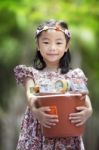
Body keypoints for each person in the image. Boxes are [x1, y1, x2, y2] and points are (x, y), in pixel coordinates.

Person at [14, 19, 93, 150]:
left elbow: (84, 99)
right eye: (46, 42)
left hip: (67, 136)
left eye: (58, 42)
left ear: (66, 46)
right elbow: (31, 93)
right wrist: (36, 111)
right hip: (38, 134)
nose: (52, 48)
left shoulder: (74, 76)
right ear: (38, 45)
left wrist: (87, 112)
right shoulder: (32, 74)